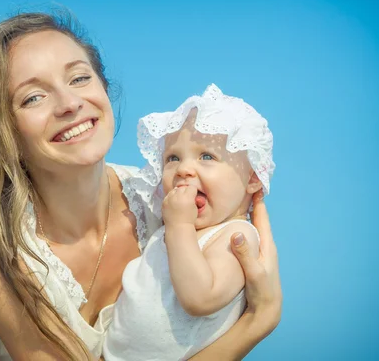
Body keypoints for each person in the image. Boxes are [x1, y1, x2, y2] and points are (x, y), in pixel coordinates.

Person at [0, 12, 282, 361]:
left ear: (103, 87)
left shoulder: (161, 200)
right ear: (2, 134)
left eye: (79, 78)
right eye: (33, 97)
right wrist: (259, 320)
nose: (70, 104)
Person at [104, 84, 275, 360]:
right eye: (172, 158)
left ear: (253, 178)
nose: (183, 169)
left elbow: (201, 298)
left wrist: (180, 227)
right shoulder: (170, 227)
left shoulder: (236, 236)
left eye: (207, 156)